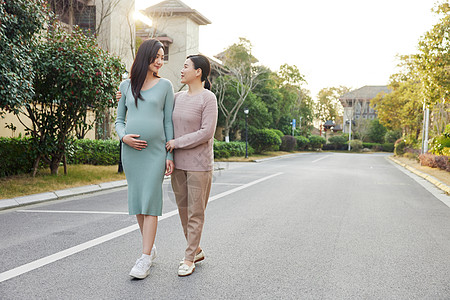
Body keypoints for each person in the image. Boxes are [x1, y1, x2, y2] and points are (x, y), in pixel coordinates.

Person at [115, 38, 174, 279]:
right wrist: (124, 138)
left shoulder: (166, 86)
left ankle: (145, 257)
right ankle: (149, 249)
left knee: (150, 201)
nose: (160, 61)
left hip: (155, 152)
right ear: (145, 56)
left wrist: (170, 153)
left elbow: (168, 121)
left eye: (163, 57)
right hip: (131, 152)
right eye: (157, 56)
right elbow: (119, 120)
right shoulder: (126, 86)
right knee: (139, 202)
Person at [165, 54, 218, 277]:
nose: (181, 70)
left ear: (198, 72)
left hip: (199, 165)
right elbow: (156, 109)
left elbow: (207, 132)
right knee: (184, 211)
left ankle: (188, 259)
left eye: (186, 66)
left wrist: (177, 143)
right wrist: (124, 94)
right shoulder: (176, 97)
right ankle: (195, 249)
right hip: (178, 164)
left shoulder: (208, 98)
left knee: (196, 212)